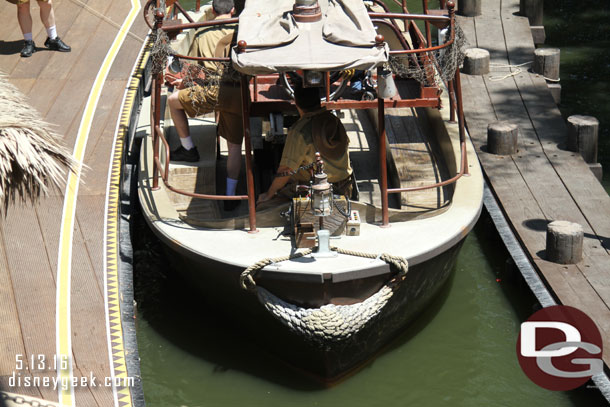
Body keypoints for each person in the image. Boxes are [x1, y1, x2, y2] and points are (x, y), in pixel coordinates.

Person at [165, 0, 243, 208]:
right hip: (240, 93)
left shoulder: (201, 33)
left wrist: (183, 82)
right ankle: (230, 196)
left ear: (212, 10)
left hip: (212, 92)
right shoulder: (243, 30)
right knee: (235, 147)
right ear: (233, 10)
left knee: (173, 102)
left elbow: (191, 69)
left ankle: (188, 149)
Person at [257, 85, 353, 205]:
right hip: (344, 186)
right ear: (318, 101)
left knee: (263, 205)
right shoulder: (334, 120)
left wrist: (268, 194)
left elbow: (286, 170)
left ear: (296, 103)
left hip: (313, 190)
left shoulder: (299, 130)